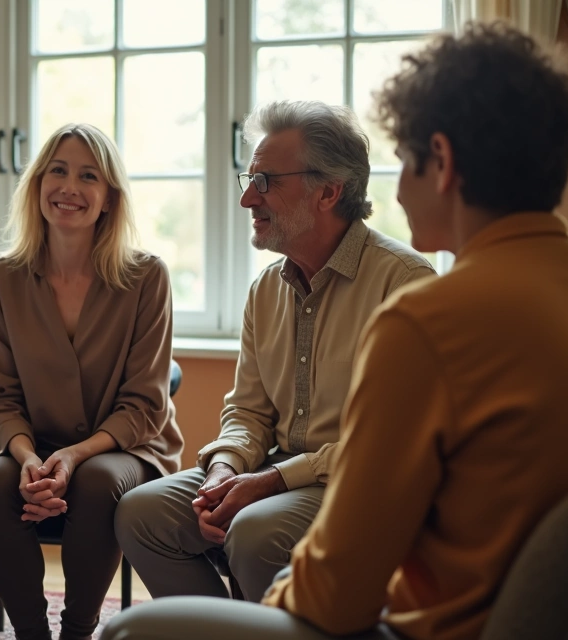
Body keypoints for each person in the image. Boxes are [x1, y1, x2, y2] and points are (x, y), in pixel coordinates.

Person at [103, 23, 568, 640]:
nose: (392, 186)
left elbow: (334, 594)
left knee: (131, 632)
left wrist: (255, 605)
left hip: (436, 629)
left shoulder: (427, 319)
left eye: (405, 159)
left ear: (442, 163)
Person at [114, 101, 434, 601]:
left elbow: (392, 442)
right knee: (140, 513)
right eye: (250, 178)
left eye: (265, 182)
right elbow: (248, 410)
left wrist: (272, 482)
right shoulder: (266, 288)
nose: (246, 199)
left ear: (329, 191)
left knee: (257, 531)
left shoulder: (406, 283)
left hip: (359, 482)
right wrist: (224, 470)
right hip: (271, 469)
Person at [0, 123, 184, 640]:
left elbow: (144, 404)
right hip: (34, 444)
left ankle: (77, 632)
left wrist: (73, 456)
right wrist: (27, 458)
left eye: (88, 176)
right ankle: (31, 634)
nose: (69, 187)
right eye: (58, 171)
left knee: (95, 482)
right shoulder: (0, 279)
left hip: (127, 449)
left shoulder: (146, 277)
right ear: (38, 183)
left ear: (109, 198)